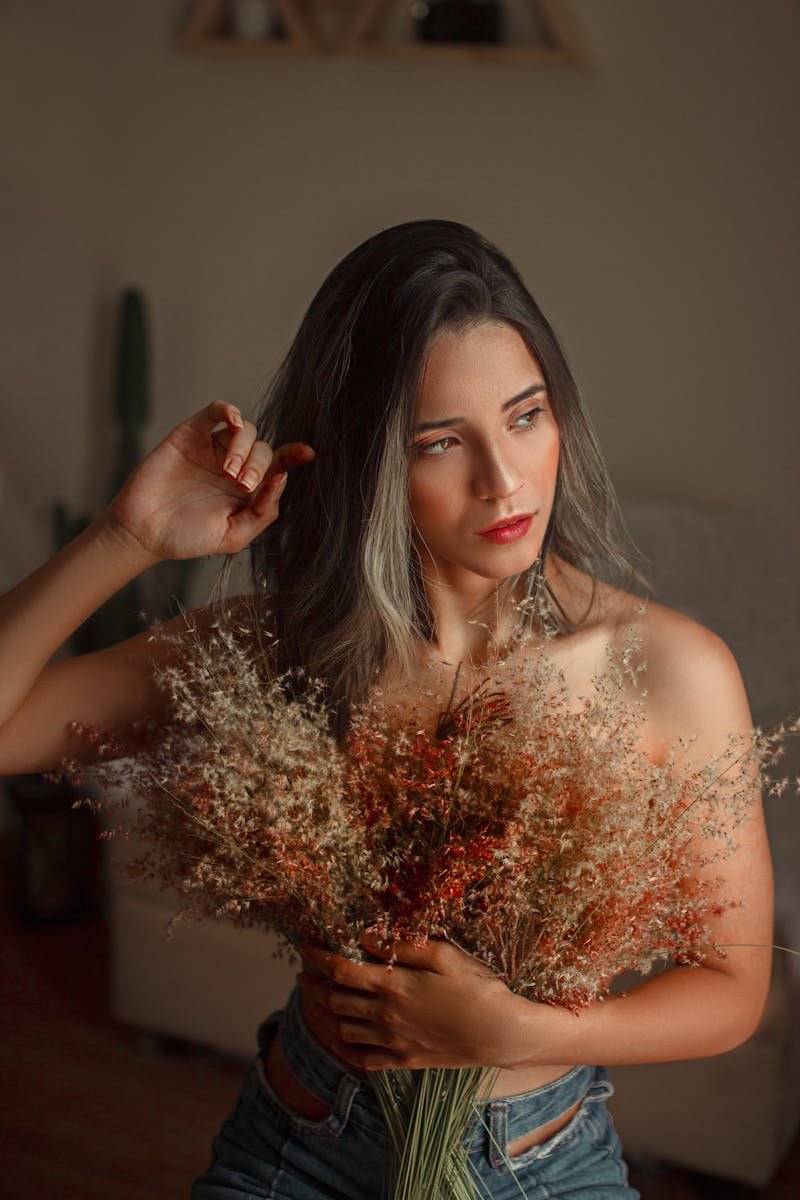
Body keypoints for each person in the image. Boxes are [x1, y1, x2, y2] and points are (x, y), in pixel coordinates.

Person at [0, 220, 773, 1199]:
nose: (503, 479)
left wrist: (517, 1031)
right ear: (365, 462)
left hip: (540, 1165)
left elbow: (731, 992)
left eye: (526, 416)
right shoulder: (267, 652)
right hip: (299, 1143)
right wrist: (127, 536)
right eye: (440, 443)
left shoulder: (667, 668)